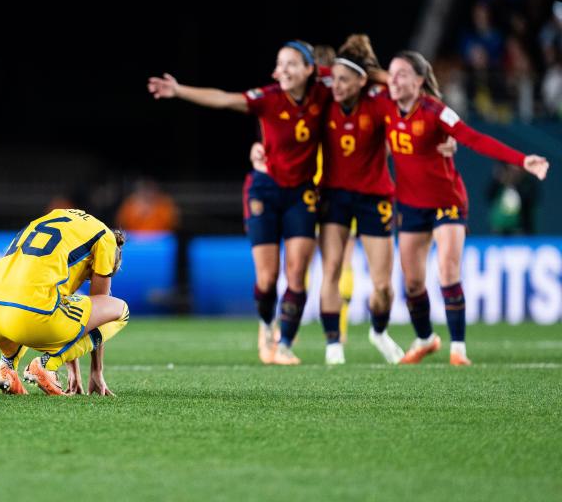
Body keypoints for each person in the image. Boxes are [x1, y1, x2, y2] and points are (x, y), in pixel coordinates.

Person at [149, 40, 329, 365]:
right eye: (280, 63)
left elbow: (360, 79)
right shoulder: (269, 98)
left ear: (309, 69)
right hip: (265, 189)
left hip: (302, 193)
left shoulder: (323, 93)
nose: (284, 69)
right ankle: (266, 327)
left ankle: (284, 344)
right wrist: (179, 90)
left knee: (298, 271)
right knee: (267, 277)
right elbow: (224, 98)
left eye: (292, 63)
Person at [385, 50, 549, 365]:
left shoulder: (436, 112)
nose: (394, 79)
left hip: (447, 201)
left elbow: (474, 138)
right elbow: (367, 78)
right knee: (412, 282)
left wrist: (521, 160)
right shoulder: (384, 107)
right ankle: (425, 339)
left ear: (420, 81)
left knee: (447, 269)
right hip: (410, 204)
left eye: (402, 74)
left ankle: (458, 348)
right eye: (391, 73)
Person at [315, 35, 457, 365]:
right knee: (332, 270)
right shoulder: (325, 91)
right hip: (334, 196)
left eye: (345, 78)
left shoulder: (379, 100)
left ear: (362, 78)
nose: (336, 85)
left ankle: (378, 331)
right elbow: (306, 77)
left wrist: (447, 135)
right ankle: (333, 345)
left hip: (374, 197)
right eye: (334, 77)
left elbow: (421, 101)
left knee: (383, 287)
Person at [0, 208, 128, 396]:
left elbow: (65, 302)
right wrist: (96, 371)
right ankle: (47, 364)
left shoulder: (56, 218)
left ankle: (7, 366)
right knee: (121, 309)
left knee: (38, 298)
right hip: (29, 318)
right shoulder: (105, 238)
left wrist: (74, 371)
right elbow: (100, 306)